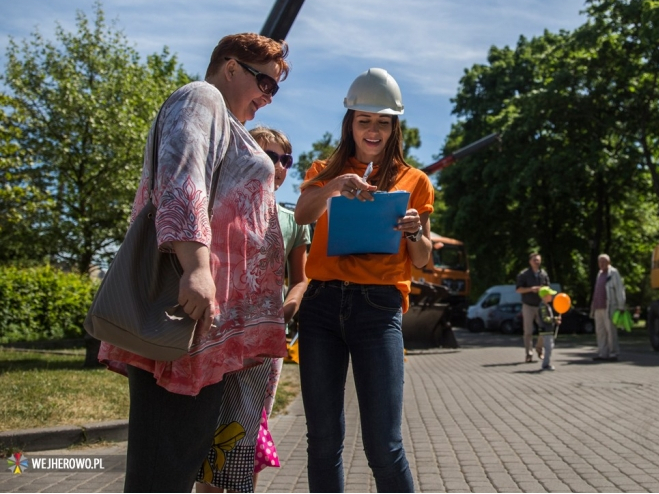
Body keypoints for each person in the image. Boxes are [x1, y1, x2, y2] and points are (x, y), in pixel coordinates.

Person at [98, 33, 289, 492]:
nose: (268, 96)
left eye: (275, 89)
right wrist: (198, 269)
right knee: (165, 466)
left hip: (213, 325)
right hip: (192, 315)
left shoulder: (226, 122)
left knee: (185, 462)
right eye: (265, 82)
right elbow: (183, 179)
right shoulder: (200, 98)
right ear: (230, 67)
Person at [294, 67, 434, 493]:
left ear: (394, 127)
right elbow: (302, 215)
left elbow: (424, 259)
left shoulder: (415, 181)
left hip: (378, 311)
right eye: (364, 120)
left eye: (383, 121)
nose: (373, 130)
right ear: (350, 123)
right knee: (322, 443)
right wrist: (336, 185)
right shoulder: (324, 170)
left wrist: (413, 231)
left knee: (384, 445)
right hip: (320, 308)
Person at [195, 126, 310, 493]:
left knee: (250, 423)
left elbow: (301, 278)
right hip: (216, 332)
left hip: (264, 339)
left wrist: (287, 309)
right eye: (269, 156)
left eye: (284, 160)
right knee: (209, 423)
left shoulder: (292, 220)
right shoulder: (221, 205)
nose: (278, 166)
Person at [590, 254, 626, 362]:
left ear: (609, 262)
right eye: (600, 262)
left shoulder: (613, 273)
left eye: (604, 262)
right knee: (600, 331)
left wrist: (621, 305)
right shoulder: (599, 274)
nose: (602, 264)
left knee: (610, 331)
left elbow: (619, 289)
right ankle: (603, 353)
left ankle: (613, 353)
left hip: (609, 306)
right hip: (598, 307)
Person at [515, 252, 550, 363]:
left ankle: (539, 349)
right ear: (530, 262)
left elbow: (547, 289)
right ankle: (528, 354)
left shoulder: (543, 274)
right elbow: (518, 289)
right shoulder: (524, 274)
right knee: (528, 331)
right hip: (528, 305)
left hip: (540, 305)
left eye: (538, 260)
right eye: (534, 260)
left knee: (544, 329)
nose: (537, 262)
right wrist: (531, 289)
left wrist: (546, 297)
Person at [536, 286, 561, 371]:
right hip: (545, 331)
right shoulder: (543, 306)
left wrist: (555, 320)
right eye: (550, 295)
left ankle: (546, 363)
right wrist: (554, 319)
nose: (552, 296)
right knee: (548, 347)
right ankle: (545, 365)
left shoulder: (546, 305)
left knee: (550, 347)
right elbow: (545, 318)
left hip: (548, 330)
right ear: (545, 296)